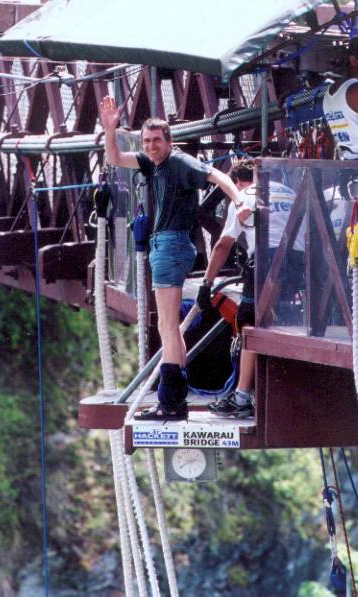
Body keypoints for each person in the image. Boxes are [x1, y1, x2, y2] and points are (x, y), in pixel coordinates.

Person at [99, 95, 244, 421]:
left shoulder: (178, 162)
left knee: (167, 326)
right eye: (146, 141)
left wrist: (239, 201)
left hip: (171, 245)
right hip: (166, 246)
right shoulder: (155, 164)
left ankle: (171, 401)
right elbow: (115, 157)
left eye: (156, 141)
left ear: (169, 142)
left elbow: (216, 176)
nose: (150, 146)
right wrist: (111, 128)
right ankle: (172, 398)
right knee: (169, 327)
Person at [196, 159, 305, 418]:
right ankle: (266, 386)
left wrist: (207, 283)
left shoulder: (244, 196)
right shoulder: (291, 193)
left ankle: (243, 396)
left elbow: (223, 245)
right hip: (299, 265)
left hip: (268, 262)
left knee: (248, 322)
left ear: (239, 182)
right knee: (273, 319)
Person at [323, 37, 358, 160]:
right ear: (353, 61)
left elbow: (330, 136)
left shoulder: (329, 93)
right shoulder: (354, 91)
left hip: (347, 165)